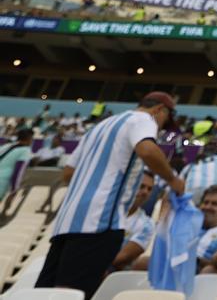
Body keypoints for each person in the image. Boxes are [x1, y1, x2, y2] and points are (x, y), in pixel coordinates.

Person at [36, 92, 186, 297]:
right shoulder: (143, 119)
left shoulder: (100, 127)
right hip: (100, 221)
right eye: (163, 123)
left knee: (46, 293)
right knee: (73, 293)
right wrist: (173, 180)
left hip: (67, 222)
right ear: (160, 110)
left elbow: (68, 173)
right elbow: (148, 151)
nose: (159, 130)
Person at [111, 172, 157, 271]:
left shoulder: (147, 224)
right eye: (141, 186)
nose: (145, 192)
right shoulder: (107, 208)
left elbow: (122, 258)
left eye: (149, 189)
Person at [0, 128, 34, 203]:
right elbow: (18, 171)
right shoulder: (26, 151)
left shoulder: (7, 146)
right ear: (29, 139)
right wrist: (14, 190)